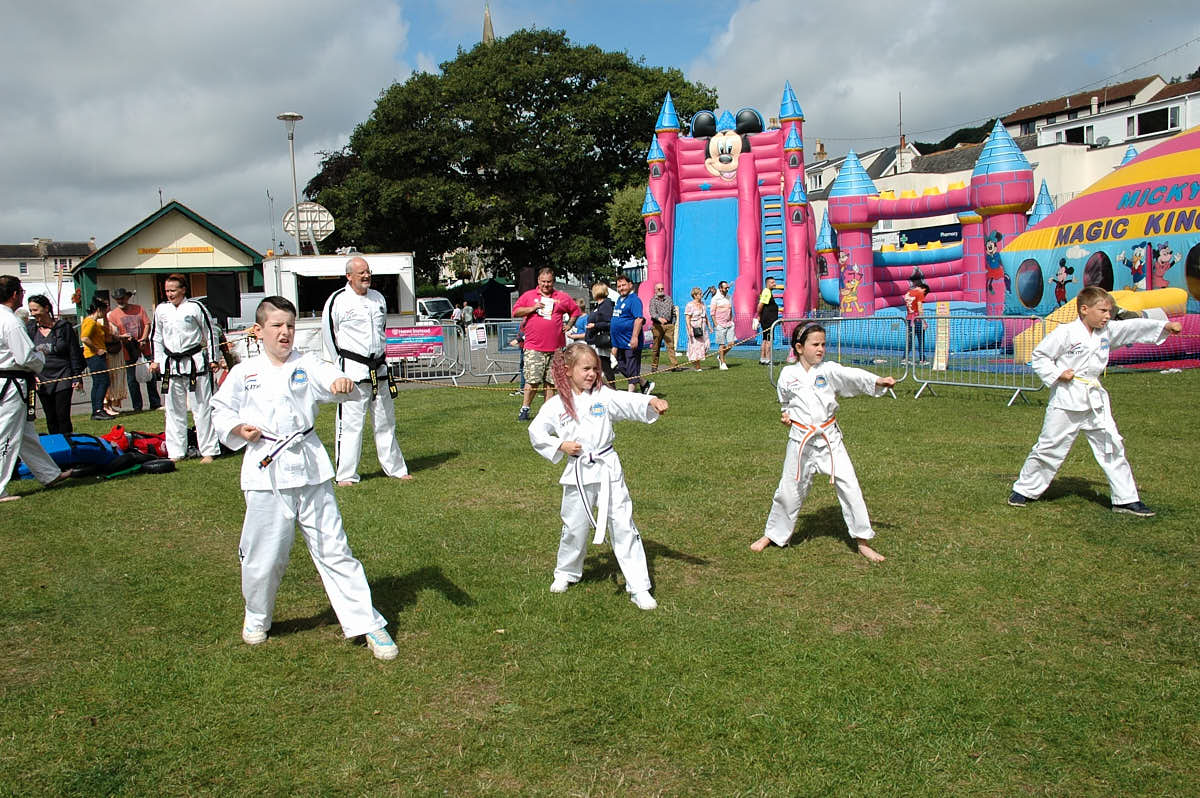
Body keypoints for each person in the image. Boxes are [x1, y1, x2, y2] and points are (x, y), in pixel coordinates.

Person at [210, 296, 398, 660]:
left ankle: (367, 622)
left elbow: (329, 377)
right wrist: (237, 427)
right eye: (277, 326)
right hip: (267, 472)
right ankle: (257, 615)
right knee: (264, 557)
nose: (285, 333)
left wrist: (341, 382)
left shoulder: (306, 363)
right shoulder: (243, 373)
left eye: (291, 326)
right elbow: (220, 408)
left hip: (310, 471)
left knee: (336, 550)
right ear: (258, 331)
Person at [1008, 285, 1182, 516]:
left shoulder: (1106, 332)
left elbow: (1132, 327)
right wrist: (1058, 374)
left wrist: (1164, 326)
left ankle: (1126, 499)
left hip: (1095, 399)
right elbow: (1040, 356)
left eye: (1109, 311)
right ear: (1084, 309)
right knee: (1050, 446)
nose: (1107, 316)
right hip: (1067, 398)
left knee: (1112, 445)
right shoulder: (1065, 332)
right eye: (1102, 311)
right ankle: (1025, 489)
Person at [527, 343, 669, 610]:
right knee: (574, 527)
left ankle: (639, 586)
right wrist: (561, 445)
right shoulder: (556, 404)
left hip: (607, 469)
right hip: (578, 473)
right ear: (568, 371)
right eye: (586, 368)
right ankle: (565, 572)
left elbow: (628, 402)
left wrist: (650, 401)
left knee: (623, 524)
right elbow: (536, 431)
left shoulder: (604, 396)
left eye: (595, 368)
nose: (592, 373)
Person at [750, 323, 894, 562]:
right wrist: (787, 415)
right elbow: (786, 403)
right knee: (789, 490)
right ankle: (774, 535)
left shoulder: (828, 370)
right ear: (799, 347)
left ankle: (862, 541)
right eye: (815, 344)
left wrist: (877, 381)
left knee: (850, 486)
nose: (820, 349)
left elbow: (852, 375)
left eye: (823, 344)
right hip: (800, 441)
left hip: (830, 440)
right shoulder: (787, 374)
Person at [321, 256, 410, 486]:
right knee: (350, 425)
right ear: (349, 276)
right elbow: (329, 337)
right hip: (352, 369)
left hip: (379, 368)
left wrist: (383, 361)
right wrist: (337, 370)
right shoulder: (337, 301)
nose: (366, 275)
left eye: (368, 271)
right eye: (361, 272)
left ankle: (396, 468)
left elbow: (381, 332)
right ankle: (346, 475)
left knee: (386, 421)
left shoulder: (377, 298)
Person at [0, 276, 73, 502]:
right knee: (7, 434)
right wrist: (40, 357)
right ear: (14, 294)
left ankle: (48, 474)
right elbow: (24, 356)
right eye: (20, 291)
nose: (22, 295)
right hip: (11, 381)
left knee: (25, 433)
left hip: (7, 379)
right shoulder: (10, 321)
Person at [149, 274, 222, 463]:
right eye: (167, 291)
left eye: (173, 290)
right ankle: (176, 452)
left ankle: (208, 450)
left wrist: (214, 358)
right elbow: (156, 336)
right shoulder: (161, 310)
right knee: (173, 410)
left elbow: (210, 332)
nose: (170, 294)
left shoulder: (195, 307)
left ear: (183, 290)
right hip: (171, 365)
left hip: (195, 363)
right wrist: (156, 360)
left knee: (202, 407)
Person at [511, 267, 582, 421]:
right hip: (534, 347)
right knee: (533, 380)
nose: (546, 285)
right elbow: (515, 311)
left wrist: (569, 325)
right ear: (538, 281)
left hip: (556, 348)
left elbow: (575, 311)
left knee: (551, 382)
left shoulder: (562, 297)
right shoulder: (529, 296)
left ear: (553, 282)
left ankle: (547, 413)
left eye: (549, 282)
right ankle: (525, 408)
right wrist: (532, 308)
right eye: (543, 282)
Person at [25, 294, 84, 434]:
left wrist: (77, 376)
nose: (33, 314)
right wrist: (32, 374)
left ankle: (67, 443)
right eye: (31, 311)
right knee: (50, 417)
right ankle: (56, 445)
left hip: (63, 376)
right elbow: (26, 354)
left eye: (35, 310)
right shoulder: (31, 329)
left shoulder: (63, 327)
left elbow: (74, 352)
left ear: (46, 308)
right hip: (42, 379)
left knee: (62, 416)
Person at [108, 288, 160, 412]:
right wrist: (122, 338)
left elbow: (147, 324)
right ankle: (137, 406)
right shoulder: (113, 315)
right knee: (132, 380)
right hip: (127, 350)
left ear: (127, 298)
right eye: (118, 299)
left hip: (144, 348)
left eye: (122, 298)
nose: (120, 301)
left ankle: (155, 403)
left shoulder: (138, 309)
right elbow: (113, 332)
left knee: (151, 376)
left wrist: (143, 338)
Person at [611, 274, 652, 394]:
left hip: (630, 341)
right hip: (619, 342)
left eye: (623, 285)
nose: (621, 288)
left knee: (631, 366)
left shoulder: (634, 300)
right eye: (619, 286)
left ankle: (631, 395)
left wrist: (634, 337)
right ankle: (644, 383)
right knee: (620, 366)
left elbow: (639, 319)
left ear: (630, 285)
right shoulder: (619, 299)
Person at [80, 297, 117, 421]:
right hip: (94, 356)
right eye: (103, 311)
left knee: (100, 382)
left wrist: (105, 317)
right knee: (102, 381)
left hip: (98, 355)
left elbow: (107, 334)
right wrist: (97, 349)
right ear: (98, 310)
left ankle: (98, 408)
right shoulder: (89, 322)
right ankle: (98, 409)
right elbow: (85, 338)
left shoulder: (96, 323)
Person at [584, 282, 615, 387]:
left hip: (601, 340)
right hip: (594, 340)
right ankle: (600, 387)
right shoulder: (599, 305)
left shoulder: (605, 305)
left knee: (604, 365)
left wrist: (595, 325)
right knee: (600, 365)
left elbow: (608, 322)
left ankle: (611, 388)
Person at [647, 282, 679, 373]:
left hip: (669, 325)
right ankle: (654, 366)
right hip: (657, 326)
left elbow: (673, 311)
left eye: (662, 289)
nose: (661, 291)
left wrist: (672, 323)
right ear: (655, 290)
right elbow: (652, 313)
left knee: (670, 346)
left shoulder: (669, 299)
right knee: (656, 347)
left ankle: (674, 365)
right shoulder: (653, 300)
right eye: (659, 289)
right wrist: (659, 318)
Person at [902, 268, 930, 366]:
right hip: (917, 319)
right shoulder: (919, 293)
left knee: (909, 340)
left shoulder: (908, 293)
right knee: (920, 340)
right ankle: (922, 359)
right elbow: (920, 307)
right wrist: (924, 321)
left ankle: (905, 358)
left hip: (909, 318)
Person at [709, 280, 735, 370]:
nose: (727, 289)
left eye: (728, 287)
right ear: (720, 288)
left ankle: (721, 355)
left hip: (729, 324)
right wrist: (716, 324)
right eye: (725, 288)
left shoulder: (729, 297)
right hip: (720, 324)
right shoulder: (715, 299)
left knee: (731, 344)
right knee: (722, 344)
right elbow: (712, 313)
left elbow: (730, 309)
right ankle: (722, 362)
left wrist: (732, 320)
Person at [683, 286, 709, 371]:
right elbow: (687, 318)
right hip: (694, 327)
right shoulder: (690, 305)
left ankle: (697, 362)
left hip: (703, 326)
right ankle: (698, 366)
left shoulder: (703, 304)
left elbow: (705, 316)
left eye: (701, 294)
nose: (701, 295)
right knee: (696, 346)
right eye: (700, 294)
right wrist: (689, 328)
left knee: (706, 345)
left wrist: (710, 326)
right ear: (695, 295)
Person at [756, 276, 779, 364]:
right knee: (769, 340)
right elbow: (760, 305)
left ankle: (763, 359)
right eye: (772, 282)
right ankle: (768, 359)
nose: (775, 284)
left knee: (765, 339)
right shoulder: (767, 292)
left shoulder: (767, 292)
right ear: (768, 283)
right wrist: (758, 315)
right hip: (768, 320)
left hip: (766, 320)